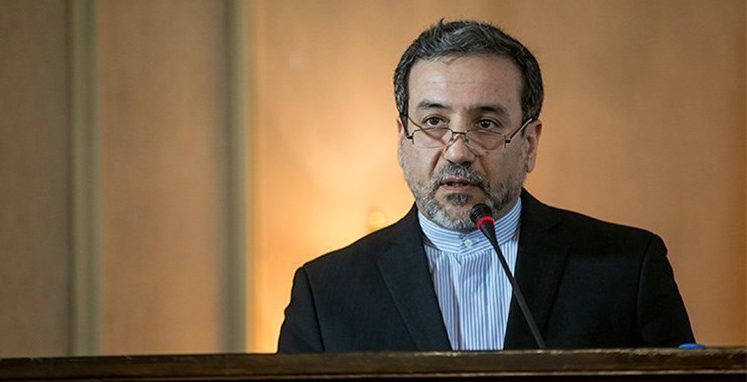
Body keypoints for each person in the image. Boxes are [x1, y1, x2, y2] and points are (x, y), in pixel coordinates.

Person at [277, 20, 694, 352]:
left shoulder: (626, 268)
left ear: (529, 144)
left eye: (487, 123)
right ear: (403, 140)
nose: (458, 151)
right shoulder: (326, 291)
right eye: (434, 121)